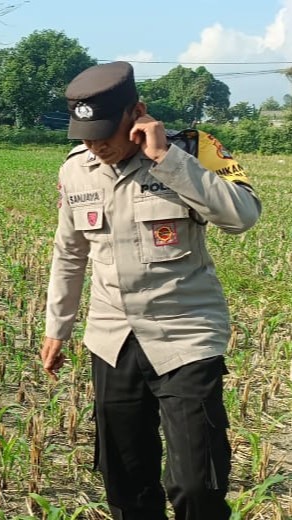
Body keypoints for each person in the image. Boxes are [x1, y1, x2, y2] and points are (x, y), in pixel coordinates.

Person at [41, 61, 261, 520]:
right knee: (125, 480)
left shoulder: (192, 151)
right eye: (84, 134)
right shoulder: (76, 171)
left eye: (105, 132)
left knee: (196, 484)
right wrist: (57, 327)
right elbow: (70, 253)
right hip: (112, 339)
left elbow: (241, 217)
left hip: (185, 337)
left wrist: (171, 161)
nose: (96, 145)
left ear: (137, 113)